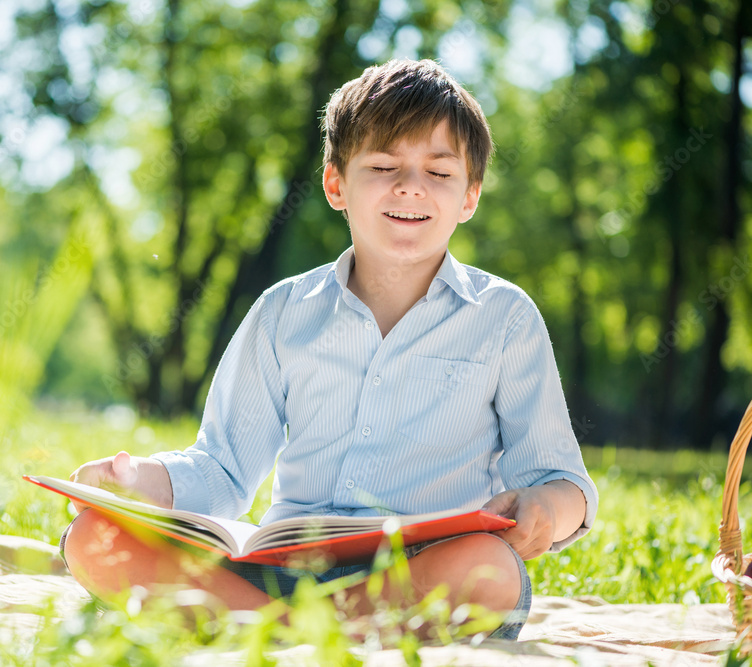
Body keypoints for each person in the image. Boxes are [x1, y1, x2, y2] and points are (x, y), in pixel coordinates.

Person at [61, 58, 598, 640]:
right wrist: (139, 481)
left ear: (470, 196)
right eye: (384, 165)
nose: (410, 186)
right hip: (284, 570)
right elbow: (223, 467)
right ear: (336, 183)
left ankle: (269, 633)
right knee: (94, 536)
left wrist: (547, 506)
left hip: (420, 572)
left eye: (439, 173)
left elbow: (561, 478)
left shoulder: (505, 318)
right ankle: (306, 627)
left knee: (489, 569)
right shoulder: (282, 312)